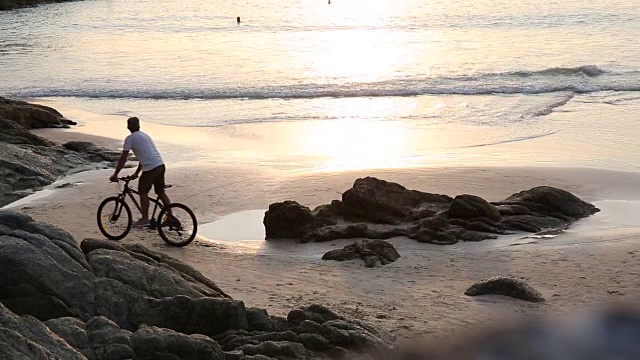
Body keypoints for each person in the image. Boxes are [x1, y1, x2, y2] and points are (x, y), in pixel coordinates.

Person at [110, 117, 171, 227]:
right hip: (160, 165)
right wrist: (137, 173)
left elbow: (123, 158)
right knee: (160, 192)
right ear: (139, 125)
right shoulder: (145, 136)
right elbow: (144, 157)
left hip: (151, 169)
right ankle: (170, 217)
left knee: (143, 192)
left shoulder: (130, 139)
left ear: (128, 126)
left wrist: (115, 174)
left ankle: (144, 219)